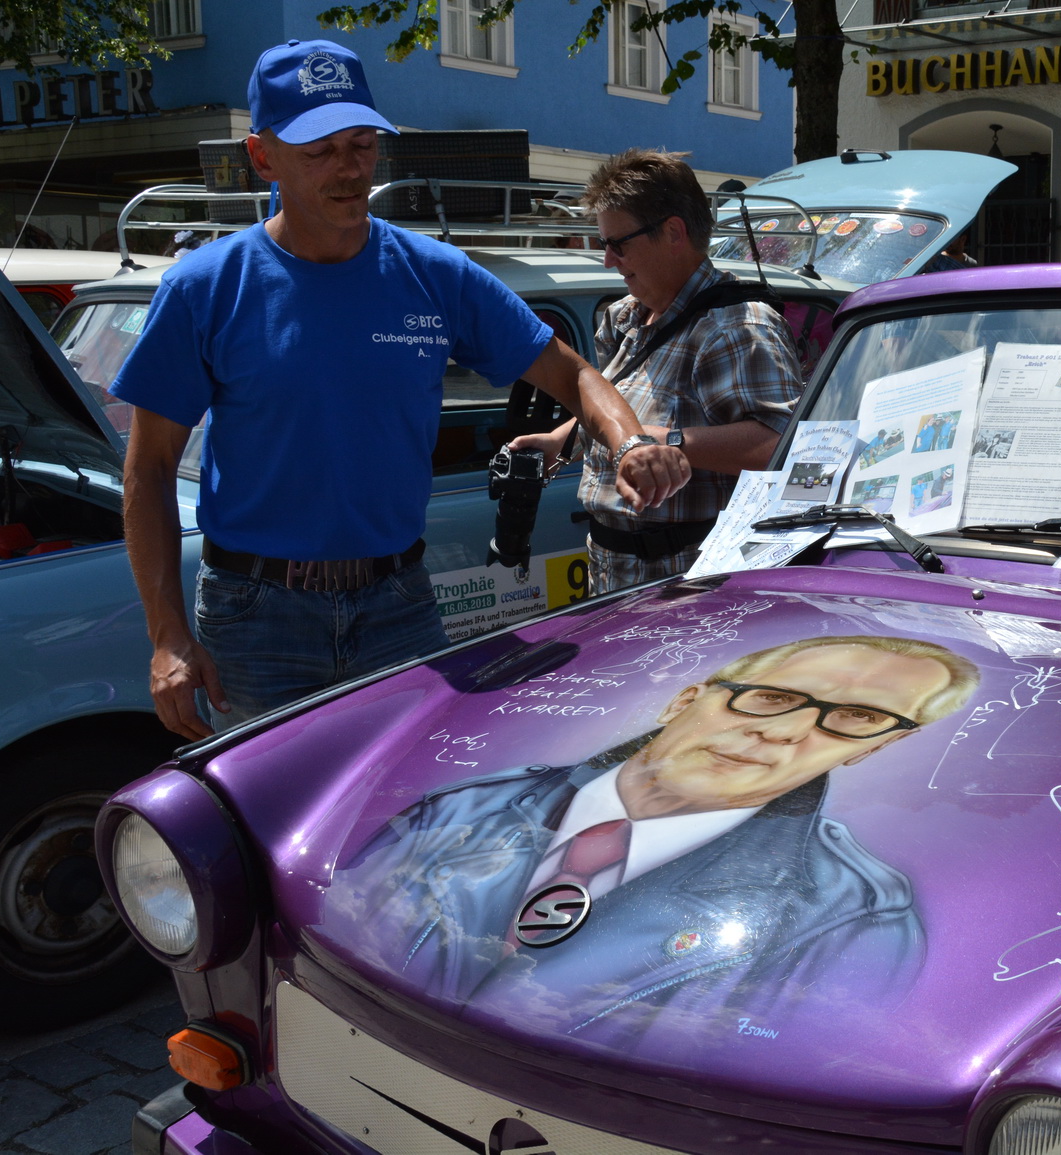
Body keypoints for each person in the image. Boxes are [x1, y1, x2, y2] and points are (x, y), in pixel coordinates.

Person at [110, 40, 688, 741]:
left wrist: (628, 441)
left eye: (362, 144)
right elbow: (147, 470)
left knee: (402, 822)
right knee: (276, 822)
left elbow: (573, 373)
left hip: (398, 605)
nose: (350, 169)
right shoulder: (204, 287)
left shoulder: (433, 274)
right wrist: (167, 634)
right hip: (256, 618)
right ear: (263, 157)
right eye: (320, 150)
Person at [331, 635, 982, 1033]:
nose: (783, 732)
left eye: (855, 717)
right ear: (686, 698)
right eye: (770, 697)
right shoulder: (458, 809)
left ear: (872, 748)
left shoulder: (849, 918)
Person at [511, 149, 803, 595]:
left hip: (689, 584)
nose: (609, 260)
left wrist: (654, 441)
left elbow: (778, 446)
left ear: (673, 232)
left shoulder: (738, 326)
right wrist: (560, 440)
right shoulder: (625, 317)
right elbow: (616, 402)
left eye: (618, 244)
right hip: (613, 572)